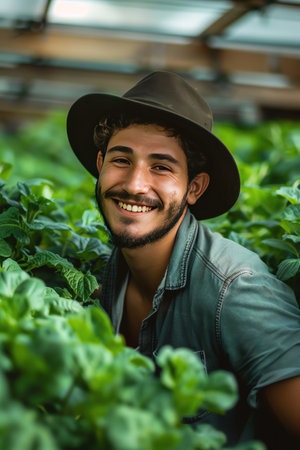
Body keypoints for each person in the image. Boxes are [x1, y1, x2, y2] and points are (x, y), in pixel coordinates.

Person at [67, 71, 300, 448]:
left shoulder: (236, 288)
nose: (134, 184)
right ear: (99, 165)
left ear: (194, 187)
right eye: (121, 159)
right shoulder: (101, 275)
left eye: (161, 167)